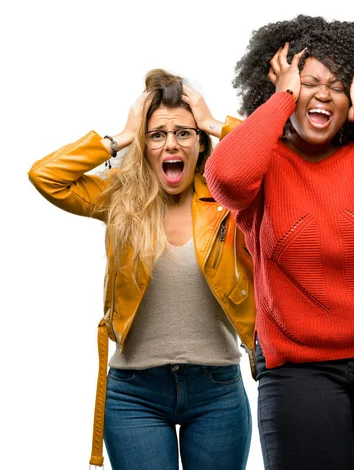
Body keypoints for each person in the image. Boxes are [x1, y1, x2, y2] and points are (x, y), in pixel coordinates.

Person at [205, 15, 354, 470]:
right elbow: (225, 177)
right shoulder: (263, 163)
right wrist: (282, 97)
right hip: (297, 368)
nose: (324, 94)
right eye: (309, 82)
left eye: (338, 84)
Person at [28, 69, 254, 470]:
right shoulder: (120, 198)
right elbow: (46, 177)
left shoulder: (227, 197)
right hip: (135, 394)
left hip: (217, 389)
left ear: (200, 143)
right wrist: (119, 136)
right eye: (157, 135)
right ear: (145, 144)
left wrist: (215, 123)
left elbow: (276, 161)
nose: (171, 143)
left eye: (184, 133)